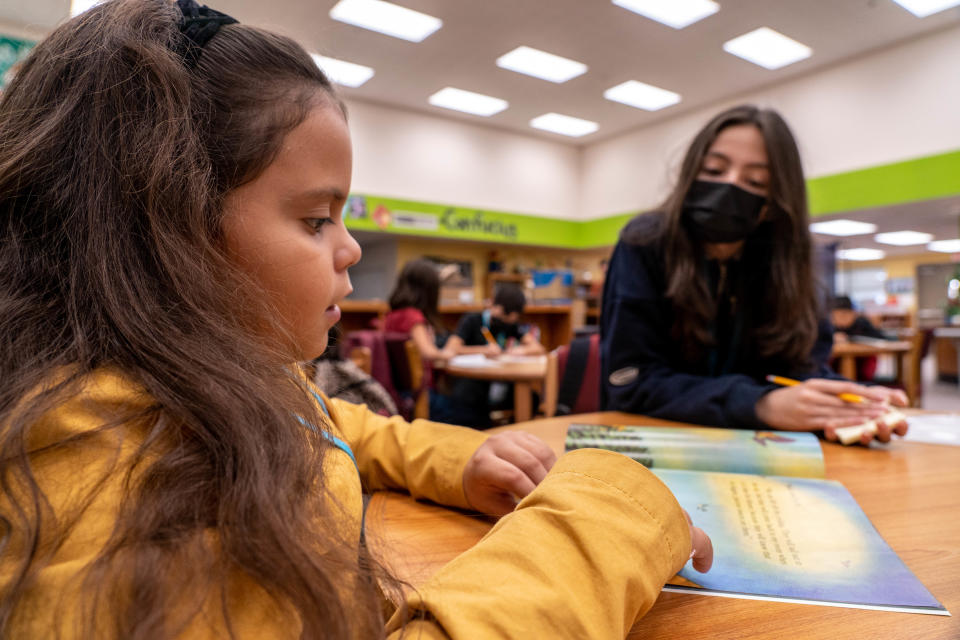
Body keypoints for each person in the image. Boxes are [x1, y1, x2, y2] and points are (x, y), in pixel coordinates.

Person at [0, 1, 711, 638]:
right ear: (160, 232)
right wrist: (609, 520)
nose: (351, 247)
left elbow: (328, 420)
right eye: (316, 218)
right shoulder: (103, 471)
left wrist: (456, 460)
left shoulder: (222, 377)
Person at [600, 105, 908, 444]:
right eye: (714, 169)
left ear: (774, 201)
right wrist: (761, 405)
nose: (729, 185)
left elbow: (798, 372)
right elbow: (630, 383)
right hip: (656, 444)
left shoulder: (790, 263)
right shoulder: (645, 242)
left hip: (762, 452)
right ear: (690, 173)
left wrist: (841, 403)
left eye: (755, 181)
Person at [434, 284, 546, 428]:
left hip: (500, 382)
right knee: (470, 401)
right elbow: (451, 348)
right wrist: (482, 350)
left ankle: (514, 430)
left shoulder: (509, 324)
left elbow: (538, 348)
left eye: (510, 318)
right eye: (501, 314)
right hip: (473, 383)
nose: (503, 319)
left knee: (531, 399)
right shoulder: (472, 320)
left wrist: (518, 351)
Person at [384, 258, 454, 361]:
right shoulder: (413, 316)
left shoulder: (391, 315)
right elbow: (427, 352)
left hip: (400, 376)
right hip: (419, 376)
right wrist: (447, 354)